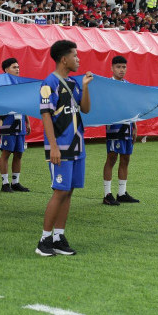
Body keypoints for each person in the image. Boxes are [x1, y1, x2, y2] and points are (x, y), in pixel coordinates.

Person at [36, 40, 93, 256]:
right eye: (75, 56)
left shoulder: (74, 82)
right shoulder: (49, 83)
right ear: (64, 59)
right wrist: (53, 147)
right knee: (60, 191)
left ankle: (59, 237)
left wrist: (86, 86)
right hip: (59, 146)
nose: (78, 59)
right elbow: (46, 115)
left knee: (68, 192)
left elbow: (85, 109)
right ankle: (44, 240)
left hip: (77, 146)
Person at [103, 56, 139, 206]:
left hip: (127, 127)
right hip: (114, 127)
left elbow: (132, 108)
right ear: (112, 68)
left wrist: (135, 126)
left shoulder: (129, 86)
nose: (121, 70)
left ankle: (122, 193)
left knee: (126, 158)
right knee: (111, 158)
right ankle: (107, 194)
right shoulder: (107, 86)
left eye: (124, 67)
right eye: (118, 67)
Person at [0, 57, 31, 193]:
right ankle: (5, 184)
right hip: (8, 123)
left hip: (20, 123)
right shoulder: (2, 86)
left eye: (18, 67)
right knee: (6, 153)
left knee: (19, 153)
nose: (17, 69)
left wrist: (27, 121)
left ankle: (15, 183)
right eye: (14, 67)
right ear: (6, 70)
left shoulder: (20, 85)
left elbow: (23, 104)